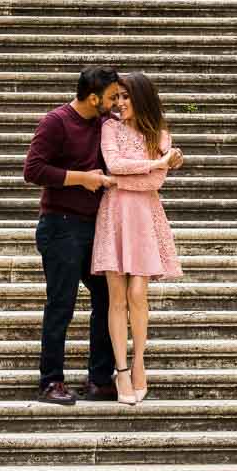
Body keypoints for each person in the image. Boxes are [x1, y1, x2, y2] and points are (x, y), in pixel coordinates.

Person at [23, 66, 121, 405]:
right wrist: (81, 178)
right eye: (111, 98)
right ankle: (51, 382)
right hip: (61, 225)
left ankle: (100, 379)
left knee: (108, 297)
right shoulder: (56, 122)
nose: (116, 103)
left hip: (96, 226)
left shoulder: (107, 124)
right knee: (61, 304)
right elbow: (32, 170)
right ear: (93, 97)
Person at [91, 72, 184, 405]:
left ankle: (140, 361)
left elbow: (154, 184)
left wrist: (127, 176)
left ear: (141, 97)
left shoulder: (160, 135)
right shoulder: (109, 128)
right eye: (117, 97)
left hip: (144, 218)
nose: (119, 103)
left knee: (138, 292)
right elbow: (113, 164)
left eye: (126, 97)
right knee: (116, 296)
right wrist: (156, 162)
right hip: (114, 216)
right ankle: (121, 370)